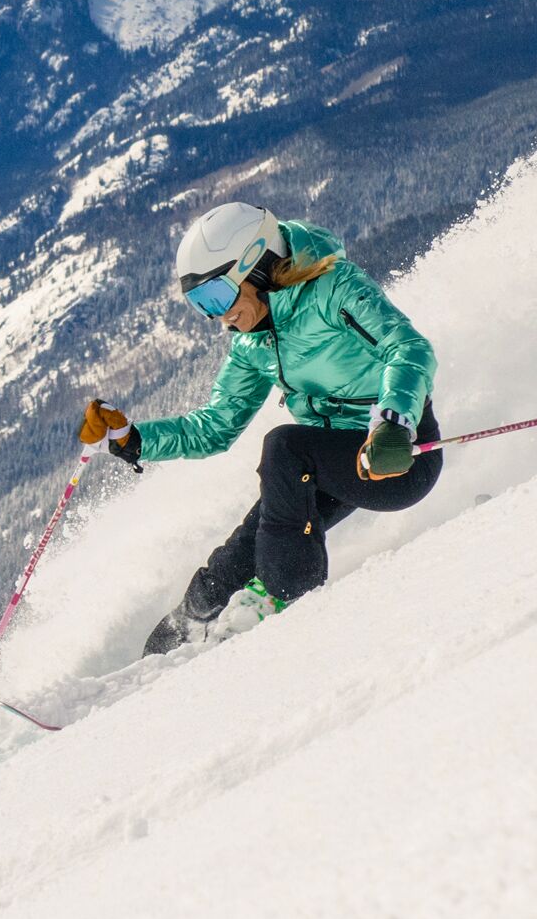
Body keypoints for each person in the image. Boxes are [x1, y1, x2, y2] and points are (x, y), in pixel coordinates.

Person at [83, 201, 440, 654]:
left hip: (398, 455)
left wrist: (394, 421)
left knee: (284, 446)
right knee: (229, 566)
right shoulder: (253, 344)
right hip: (325, 467)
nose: (218, 317)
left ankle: (284, 601)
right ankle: (161, 654)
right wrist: (133, 440)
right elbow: (215, 426)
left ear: (257, 265)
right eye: (200, 305)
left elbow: (409, 349)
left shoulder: (334, 289)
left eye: (216, 296)